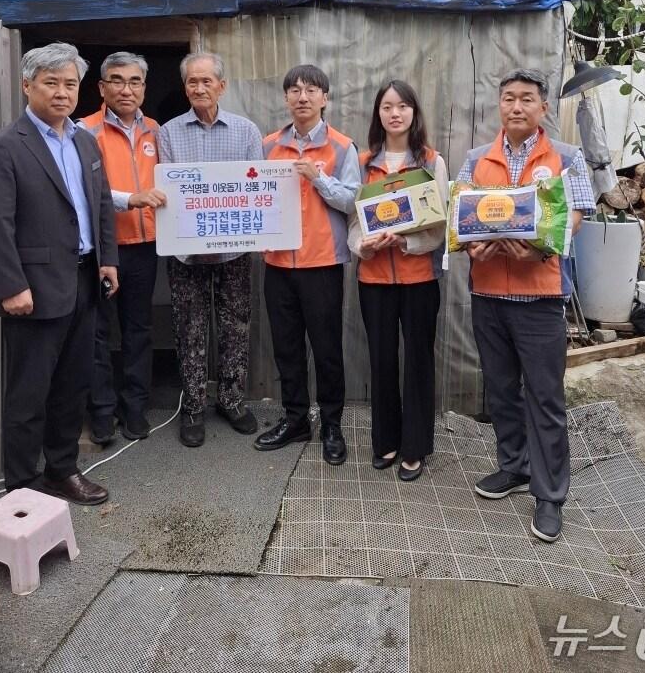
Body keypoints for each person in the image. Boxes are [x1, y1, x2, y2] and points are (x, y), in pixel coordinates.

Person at [0, 42, 118, 505]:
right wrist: (12, 285)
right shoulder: (3, 147)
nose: (61, 93)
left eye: (70, 83)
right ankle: (20, 484)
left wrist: (108, 259)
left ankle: (61, 470)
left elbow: (100, 206)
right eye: (51, 82)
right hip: (32, 288)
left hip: (83, 279)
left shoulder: (84, 140)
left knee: (72, 384)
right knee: (28, 391)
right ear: (27, 86)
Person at [457, 68, 595, 543]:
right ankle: (513, 466)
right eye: (509, 99)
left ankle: (550, 495)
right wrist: (469, 243)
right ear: (500, 105)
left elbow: (575, 215)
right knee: (500, 391)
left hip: (539, 295)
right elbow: (463, 213)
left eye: (527, 99)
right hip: (489, 293)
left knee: (545, 397)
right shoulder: (477, 159)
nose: (517, 107)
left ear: (543, 109)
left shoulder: (566, 157)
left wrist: (541, 246)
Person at [254, 65, 361, 465]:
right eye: (294, 90)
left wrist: (319, 178)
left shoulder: (341, 147)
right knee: (286, 347)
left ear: (325, 98)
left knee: (327, 348)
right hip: (278, 264)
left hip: (322, 263)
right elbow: (253, 195)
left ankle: (332, 424)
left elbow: (353, 201)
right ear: (285, 98)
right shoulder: (268, 145)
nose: (302, 96)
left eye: (311, 90)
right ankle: (295, 418)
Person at [158, 51, 262, 447]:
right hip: (186, 254)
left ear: (222, 85)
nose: (199, 88)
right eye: (191, 82)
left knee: (236, 325)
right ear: (185, 87)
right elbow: (170, 192)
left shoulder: (246, 131)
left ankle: (232, 400)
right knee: (190, 328)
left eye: (207, 81)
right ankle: (194, 406)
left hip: (234, 251)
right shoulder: (167, 133)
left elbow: (257, 194)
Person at [348, 80, 447, 482]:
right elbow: (353, 222)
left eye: (403, 106)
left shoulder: (431, 162)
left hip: (419, 278)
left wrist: (406, 242)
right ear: (378, 114)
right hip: (373, 279)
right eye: (387, 106)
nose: (395, 113)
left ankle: (416, 447)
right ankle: (384, 441)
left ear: (413, 113)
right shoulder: (362, 162)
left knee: (419, 362)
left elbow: (440, 224)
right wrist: (365, 246)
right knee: (382, 359)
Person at [79, 52, 167, 445]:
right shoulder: (83, 131)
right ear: (101, 88)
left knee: (138, 328)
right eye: (117, 80)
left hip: (145, 245)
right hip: (100, 248)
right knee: (97, 331)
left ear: (144, 88)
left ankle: (135, 408)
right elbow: (82, 190)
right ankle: (101, 411)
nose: (126, 89)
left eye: (134, 81)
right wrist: (130, 198)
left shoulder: (157, 132)